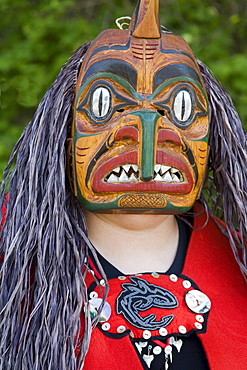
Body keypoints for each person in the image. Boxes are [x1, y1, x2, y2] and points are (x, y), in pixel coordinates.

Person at [0, 0, 247, 369]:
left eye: (180, 109)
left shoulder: (239, 258)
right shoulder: (10, 258)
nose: (147, 131)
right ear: (61, 133)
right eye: (105, 105)